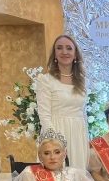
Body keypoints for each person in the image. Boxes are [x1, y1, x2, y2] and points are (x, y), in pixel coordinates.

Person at [35, 34, 90, 170]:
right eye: (59, 48)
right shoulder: (45, 80)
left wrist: (86, 138)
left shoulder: (83, 81)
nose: (64, 52)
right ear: (55, 54)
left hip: (78, 133)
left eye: (69, 48)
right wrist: (53, 142)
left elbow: (83, 112)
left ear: (75, 54)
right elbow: (44, 115)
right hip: (56, 131)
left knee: (78, 173)